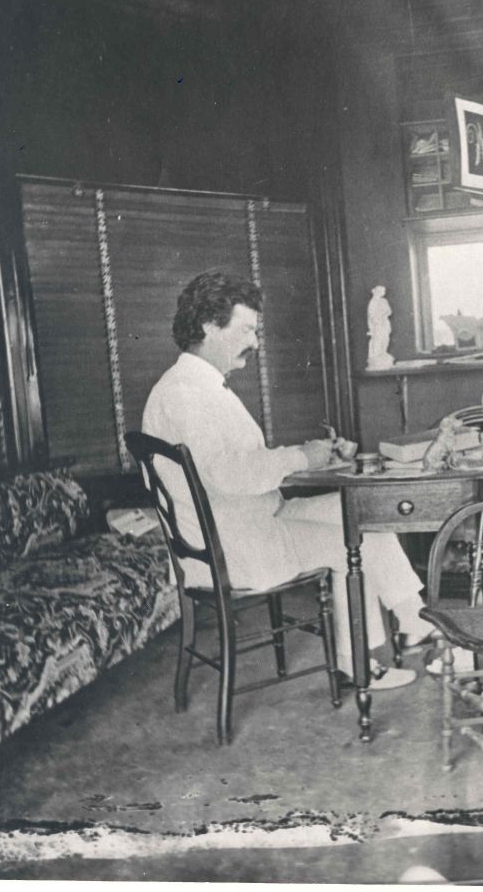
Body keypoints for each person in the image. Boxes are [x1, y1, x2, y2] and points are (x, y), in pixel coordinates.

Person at [142, 268, 430, 689]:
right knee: (355, 540)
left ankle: (413, 622)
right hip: (236, 547)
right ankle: (378, 652)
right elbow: (231, 475)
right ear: (208, 326)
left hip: (245, 523)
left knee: (361, 513)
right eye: (246, 330)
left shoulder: (192, 386)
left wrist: (312, 457)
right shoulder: (187, 394)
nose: (255, 342)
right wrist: (300, 456)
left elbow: (236, 464)